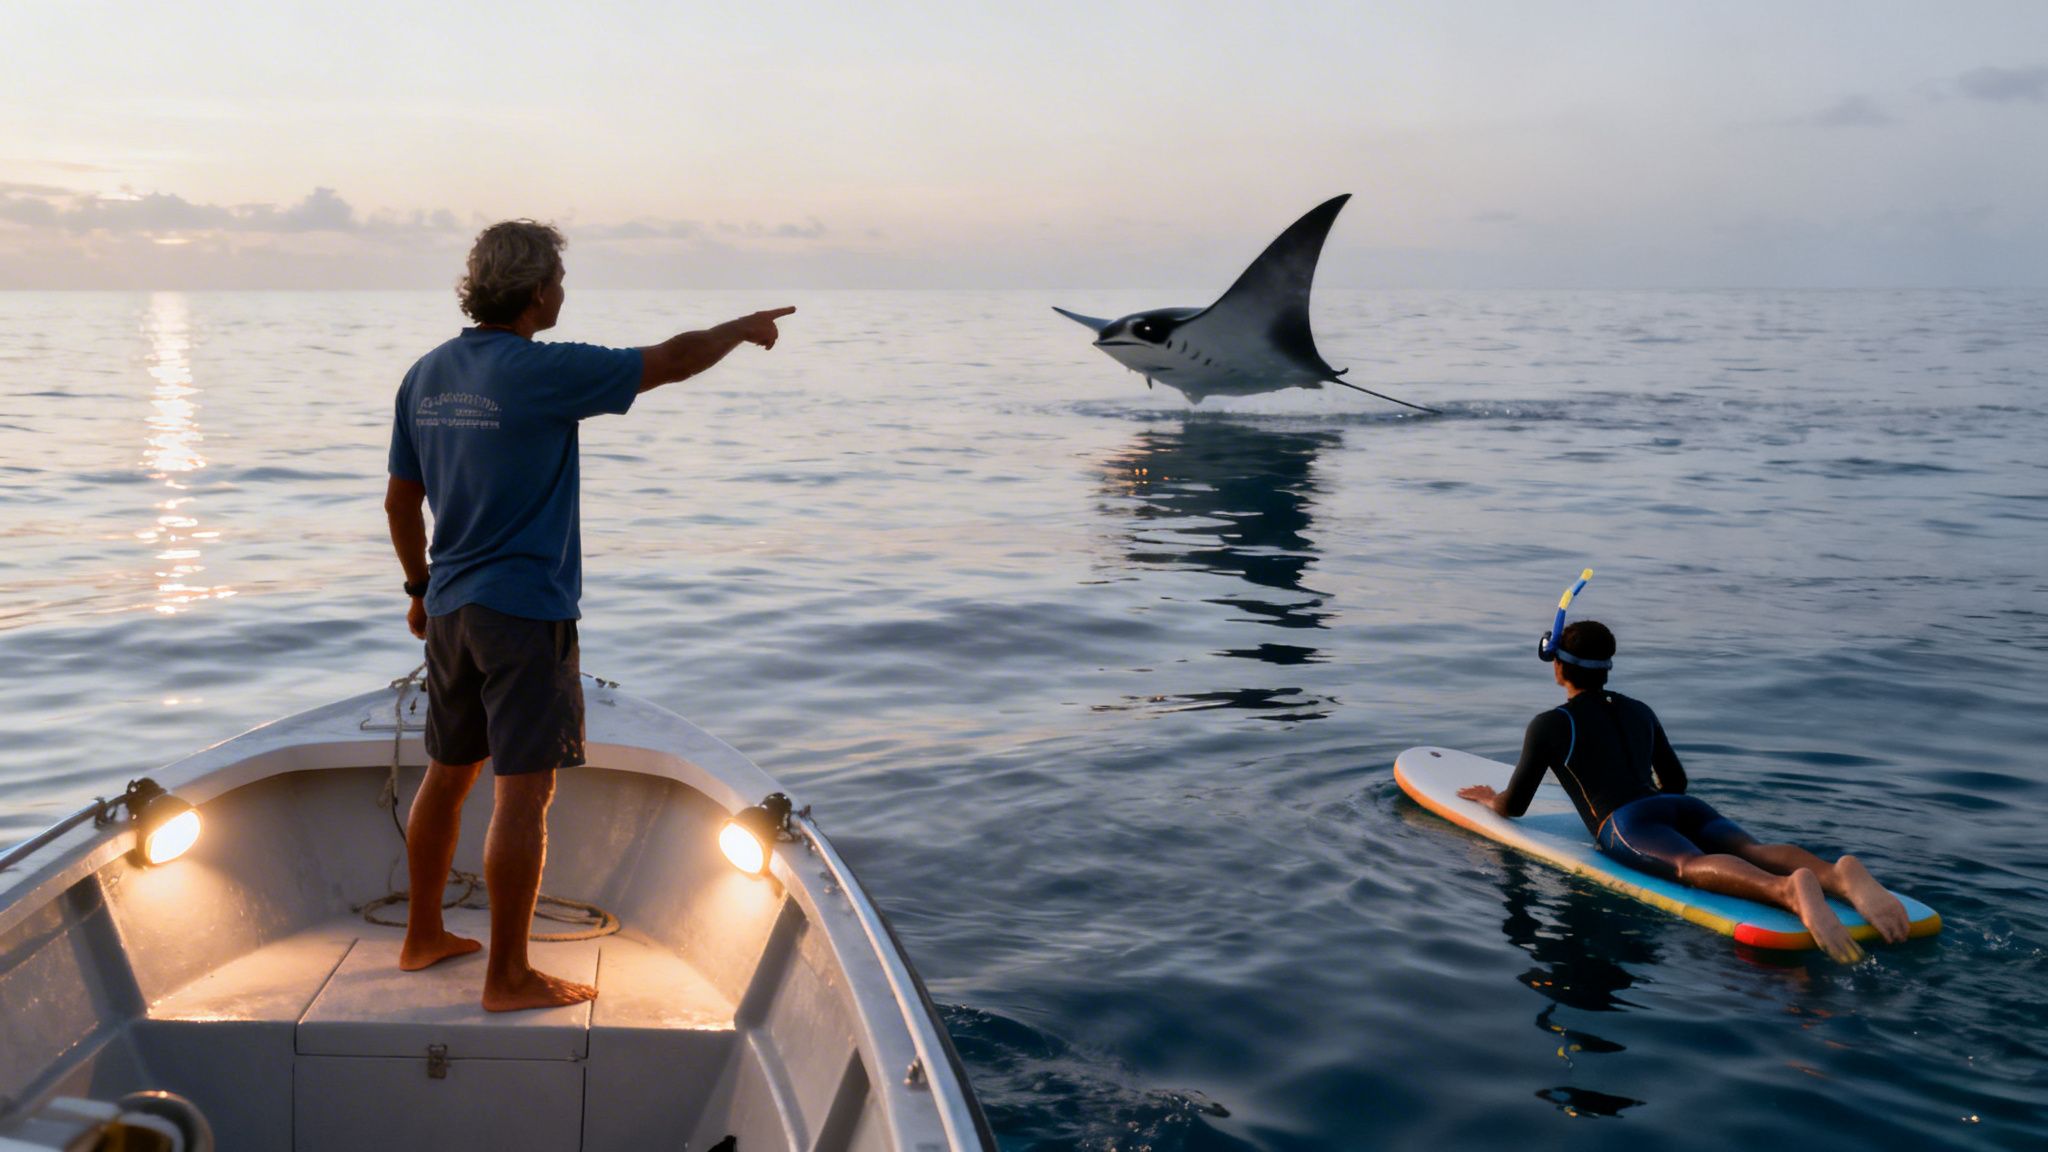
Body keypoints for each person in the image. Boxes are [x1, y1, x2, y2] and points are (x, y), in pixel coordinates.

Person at [384, 219, 794, 1011]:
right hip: (524, 611)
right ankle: (507, 976)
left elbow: (403, 499)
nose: (563, 294)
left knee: (447, 774)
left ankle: (421, 935)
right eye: (560, 283)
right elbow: (672, 361)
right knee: (521, 794)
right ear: (539, 291)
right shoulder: (541, 372)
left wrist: (416, 588)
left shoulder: (425, 374)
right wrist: (739, 331)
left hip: (451, 610)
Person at [1458, 619, 1910, 964]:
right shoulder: (1638, 710)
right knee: (1752, 847)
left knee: (1689, 865)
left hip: (1627, 822)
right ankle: (1836, 875)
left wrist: (1488, 799)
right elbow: (1675, 782)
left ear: (1558, 668)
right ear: (1607, 667)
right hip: (1680, 806)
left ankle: (1787, 892)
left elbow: (1514, 806)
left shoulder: (1550, 724)